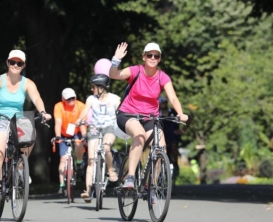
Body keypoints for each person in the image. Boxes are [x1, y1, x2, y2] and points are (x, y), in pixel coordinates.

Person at [109, 42, 189, 192]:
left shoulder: (162, 77)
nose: (152, 58)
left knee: (162, 146)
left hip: (149, 118)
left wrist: (180, 113)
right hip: (127, 114)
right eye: (149, 55)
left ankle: (153, 185)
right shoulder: (135, 71)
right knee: (139, 135)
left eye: (156, 56)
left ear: (159, 59)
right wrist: (116, 60)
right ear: (144, 57)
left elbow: (173, 98)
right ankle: (131, 177)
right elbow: (114, 75)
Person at [0, 50, 52, 212]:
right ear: (7, 63)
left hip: (18, 120)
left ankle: (21, 166)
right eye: (12, 62)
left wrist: (43, 112)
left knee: (31, 131)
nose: (15, 65)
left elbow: (36, 98)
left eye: (19, 63)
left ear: (24, 65)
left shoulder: (27, 83)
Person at [74, 74, 120, 203]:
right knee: (91, 160)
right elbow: (85, 112)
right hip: (94, 129)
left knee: (106, 147)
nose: (91, 89)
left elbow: (120, 112)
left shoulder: (115, 99)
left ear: (102, 87)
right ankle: (88, 191)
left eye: (93, 87)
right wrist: (80, 120)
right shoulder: (91, 99)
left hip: (110, 128)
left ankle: (111, 170)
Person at [53, 88, 86, 194]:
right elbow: (58, 122)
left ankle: (79, 162)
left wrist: (84, 136)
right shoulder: (59, 106)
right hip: (63, 133)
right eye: (68, 99)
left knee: (78, 143)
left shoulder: (81, 106)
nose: (71, 101)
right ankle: (62, 184)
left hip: (77, 131)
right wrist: (58, 136)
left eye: (73, 98)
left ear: (75, 97)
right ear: (63, 99)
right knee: (63, 159)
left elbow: (82, 123)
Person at [159, 96, 190, 180]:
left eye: (165, 102)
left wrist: (182, 131)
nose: (164, 104)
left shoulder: (173, 112)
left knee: (173, 146)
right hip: (162, 136)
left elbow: (188, 118)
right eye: (162, 103)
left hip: (173, 136)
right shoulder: (157, 113)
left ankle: (176, 164)